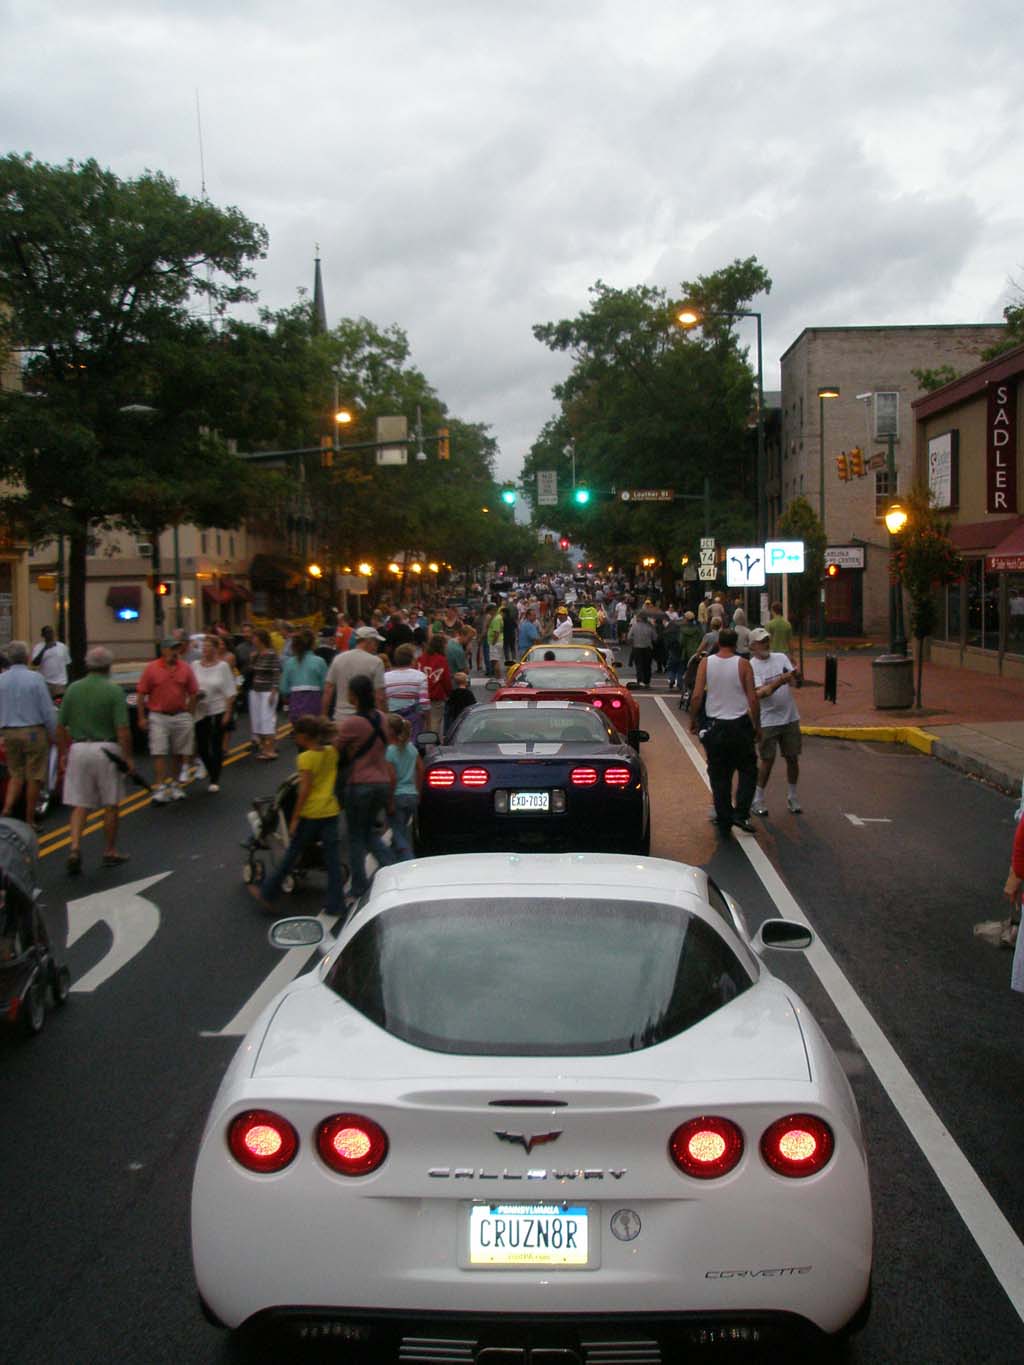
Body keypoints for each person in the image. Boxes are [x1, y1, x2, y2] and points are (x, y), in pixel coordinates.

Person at [249, 715, 345, 917]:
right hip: (330, 810)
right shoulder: (331, 752)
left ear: (304, 736)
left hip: (311, 813)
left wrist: (294, 818)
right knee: (333, 859)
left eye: (296, 735)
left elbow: (305, 790)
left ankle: (268, 893)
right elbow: (336, 739)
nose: (294, 738)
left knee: (291, 855)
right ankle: (336, 903)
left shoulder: (305, 758)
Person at [56, 645, 134, 873]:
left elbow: (60, 726)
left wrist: (63, 753)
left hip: (79, 748)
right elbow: (122, 729)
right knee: (110, 803)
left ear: (87, 664)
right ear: (109, 667)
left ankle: (75, 847)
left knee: (80, 803)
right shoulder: (113, 691)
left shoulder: (73, 689)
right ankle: (109, 850)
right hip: (106, 749)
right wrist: (128, 757)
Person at [689, 626, 760, 835]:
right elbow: (753, 698)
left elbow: (696, 696)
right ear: (736, 643)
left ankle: (724, 817)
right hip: (739, 724)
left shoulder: (706, 663)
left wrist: (694, 719)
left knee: (719, 774)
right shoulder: (743, 664)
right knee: (748, 770)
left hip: (715, 725)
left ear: (718, 642)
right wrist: (757, 725)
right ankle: (741, 812)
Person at [334, 673, 395, 902]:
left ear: (354, 696)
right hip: (381, 782)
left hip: (359, 784)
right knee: (370, 833)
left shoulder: (352, 723)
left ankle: (358, 885)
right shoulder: (382, 718)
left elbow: (336, 750)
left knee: (356, 837)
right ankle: (392, 869)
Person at [0, 640, 58, 828]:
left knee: (16, 773)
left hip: (9, 732)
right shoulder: (35, 679)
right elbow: (47, 710)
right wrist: (54, 733)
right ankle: (30, 817)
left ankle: (7, 808)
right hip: (33, 731)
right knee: (35, 776)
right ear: (27, 658)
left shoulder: (2, 680)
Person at [136, 637, 199, 802]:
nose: (174, 653)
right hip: (159, 715)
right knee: (159, 751)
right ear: (163, 651)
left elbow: (193, 692)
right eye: (171, 649)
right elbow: (141, 693)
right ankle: (161, 786)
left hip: (179, 714)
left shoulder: (185, 668)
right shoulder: (152, 669)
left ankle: (176, 784)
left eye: (177, 649)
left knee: (178, 752)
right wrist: (141, 717)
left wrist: (190, 713)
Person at [748, 627, 803, 816]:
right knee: (767, 760)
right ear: (752, 646)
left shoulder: (780, 658)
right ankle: (758, 799)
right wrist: (781, 680)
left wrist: (795, 677)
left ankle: (793, 796)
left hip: (789, 716)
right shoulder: (752, 666)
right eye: (761, 641)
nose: (766, 644)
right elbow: (760, 693)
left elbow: (794, 681)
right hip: (768, 719)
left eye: (767, 640)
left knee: (792, 757)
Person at [192, 634, 237, 793]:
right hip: (200, 710)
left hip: (218, 709)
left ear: (216, 649)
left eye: (209, 647)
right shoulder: (195, 665)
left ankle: (215, 778)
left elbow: (230, 691)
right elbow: (191, 687)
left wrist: (227, 713)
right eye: (203, 647)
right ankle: (209, 768)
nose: (205, 650)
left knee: (216, 745)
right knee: (202, 746)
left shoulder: (222, 667)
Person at [323, 626, 387, 721]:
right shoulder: (376, 662)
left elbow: (328, 689)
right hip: (365, 720)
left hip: (340, 717)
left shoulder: (339, 658)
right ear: (368, 641)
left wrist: (324, 715)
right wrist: (384, 719)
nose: (377, 646)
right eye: (376, 642)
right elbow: (379, 696)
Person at [385, 712, 422, 861]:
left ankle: (408, 860)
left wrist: (390, 801)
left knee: (399, 834)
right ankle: (393, 861)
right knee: (401, 830)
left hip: (397, 795)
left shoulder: (389, 751)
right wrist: (418, 791)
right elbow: (421, 768)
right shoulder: (411, 748)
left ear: (391, 731)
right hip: (411, 794)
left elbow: (392, 778)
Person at [280, 628, 328, 724]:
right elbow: (325, 687)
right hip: (314, 701)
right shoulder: (319, 661)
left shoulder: (289, 662)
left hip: (295, 701)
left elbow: (283, 688)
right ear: (313, 644)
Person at [247, 628, 282, 760]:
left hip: (267, 691)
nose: (252, 640)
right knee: (257, 721)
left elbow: (276, 672)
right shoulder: (256, 655)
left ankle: (270, 749)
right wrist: (252, 660)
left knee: (267, 719)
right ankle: (263, 747)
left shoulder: (271, 654)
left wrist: (274, 691)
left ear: (261, 639)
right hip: (256, 690)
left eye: (254, 637)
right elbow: (251, 671)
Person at [384, 642, 430, 740]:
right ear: (412, 660)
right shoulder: (420, 676)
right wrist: (428, 723)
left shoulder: (385, 677)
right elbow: (424, 703)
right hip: (413, 724)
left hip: (392, 722)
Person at [418, 634, 453, 734]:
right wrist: (449, 694)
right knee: (434, 724)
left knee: (421, 724)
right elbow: (446, 680)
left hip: (420, 696)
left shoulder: (420, 658)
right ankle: (431, 745)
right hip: (435, 696)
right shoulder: (442, 660)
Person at [31, 625, 71, 697]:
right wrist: (45, 649)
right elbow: (35, 663)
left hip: (60, 683)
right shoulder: (38, 647)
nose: (50, 634)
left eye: (51, 632)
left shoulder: (62, 647)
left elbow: (67, 664)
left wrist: (68, 681)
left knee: (58, 704)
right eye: (47, 632)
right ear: (43, 635)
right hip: (44, 682)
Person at [443, 670, 476, 739]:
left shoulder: (453, 693)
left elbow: (449, 704)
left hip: (455, 714)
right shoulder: (468, 693)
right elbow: (473, 704)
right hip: (465, 715)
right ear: (466, 681)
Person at [627, 611, 656, 688]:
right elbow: (655, 637)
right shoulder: (650, 627)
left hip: (637, 647)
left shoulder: (634, 626)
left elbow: (629, 637)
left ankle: (640, 680)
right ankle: (647, 681)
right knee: (647, 665)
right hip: (647, 648)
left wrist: (634, 640)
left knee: (639, 665)